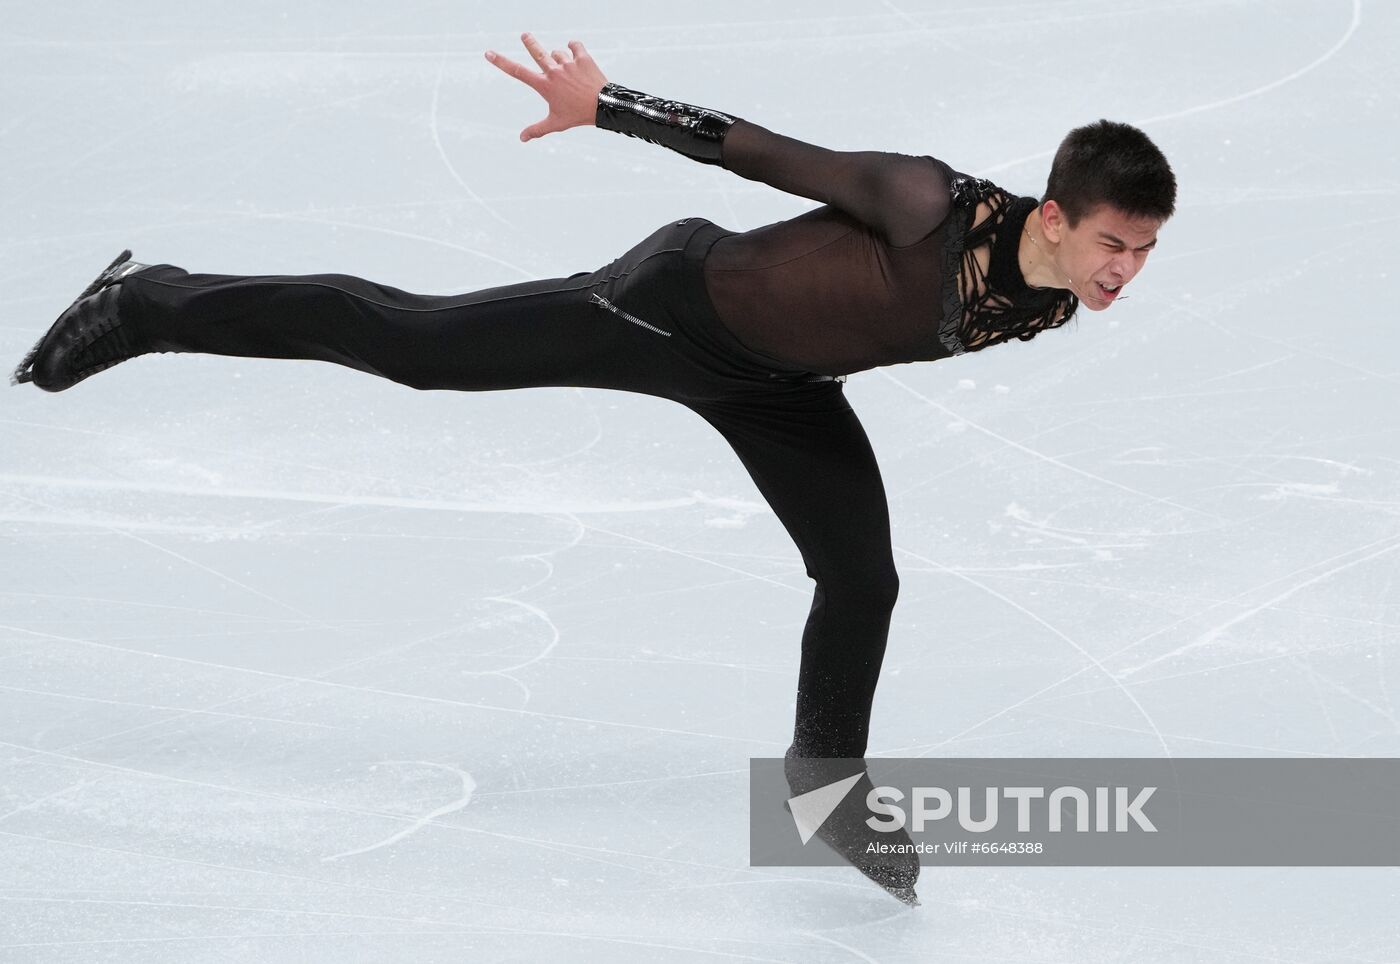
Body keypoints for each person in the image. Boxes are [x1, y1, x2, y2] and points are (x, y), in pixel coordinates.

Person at [11, 32, 1175, 905]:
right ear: (1058, 213)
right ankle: (149, 302)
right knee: (416, 342)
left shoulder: (1053, 297)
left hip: (774, 388)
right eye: (1114, 243)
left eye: (1143, 251)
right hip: (662, 310)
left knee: (860, 576)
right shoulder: (927, 203)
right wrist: (603, 104)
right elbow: (760, 152)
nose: (1126, 269)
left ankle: (824, 784)